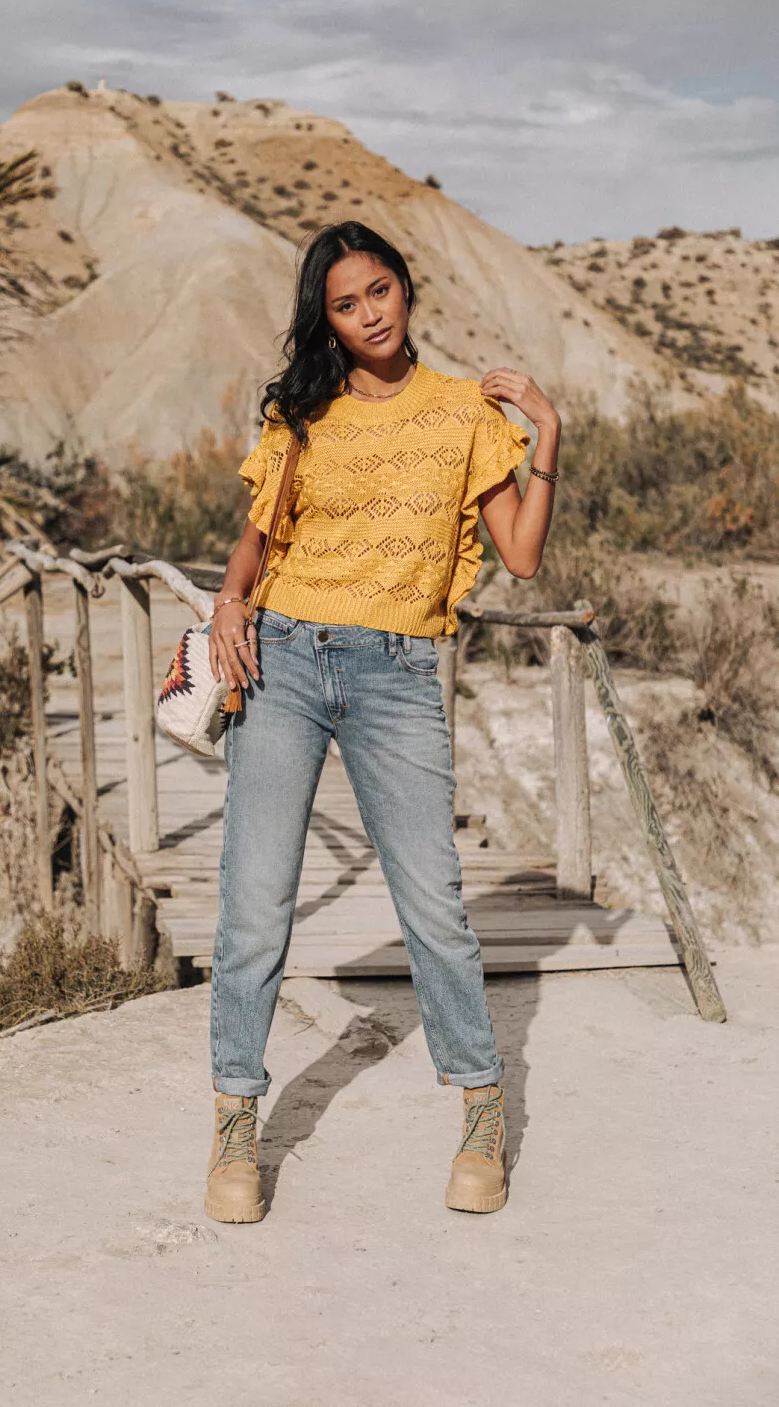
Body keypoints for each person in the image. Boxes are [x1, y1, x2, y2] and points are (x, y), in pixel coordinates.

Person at [204, 221, 562, 1224]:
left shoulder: (462, 412)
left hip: (397, 672)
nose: (368, 314)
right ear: (326, 320)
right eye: (344, 304)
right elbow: (258, 538)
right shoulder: (301, 412)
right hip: (281, 658)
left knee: (432, 906)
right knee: (254, 904)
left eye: (380, 291)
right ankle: (235, 1124)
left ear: (407, 290)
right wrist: (229, 602)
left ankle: (480, 1111)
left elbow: (521, 556)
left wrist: (548, 432)